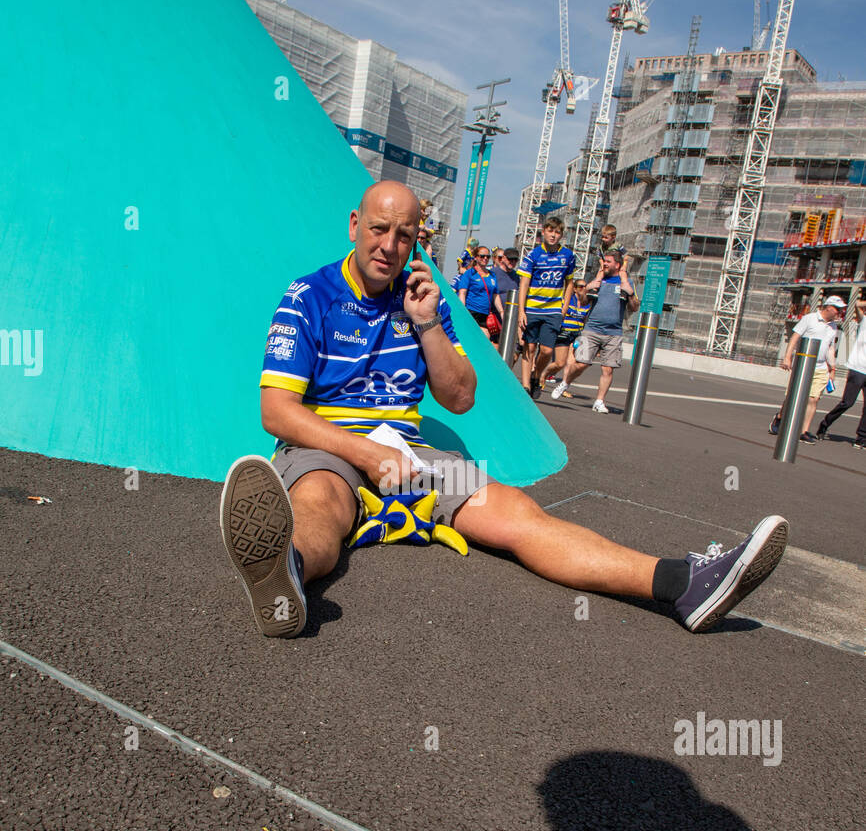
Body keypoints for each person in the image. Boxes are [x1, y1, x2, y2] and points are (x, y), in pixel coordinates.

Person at [219, 179, 788, 641]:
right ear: (354, 225)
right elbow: (278, 411)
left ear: (417, 240)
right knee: (320, 503)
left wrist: (425, 324)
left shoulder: (424, 299)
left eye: (404, 234)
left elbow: (460, 398)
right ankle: (283, 574)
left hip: (409, 453)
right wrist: (363, 453)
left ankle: (683, 583)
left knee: (517, 512)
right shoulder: (308, 295)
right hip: (328, 445)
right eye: (378, 229)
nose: (389, 245)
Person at [551, 251, 638, 411]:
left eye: (608, 262)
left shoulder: (626, 282)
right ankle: (565, 383)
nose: (605, 264)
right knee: (581, 364)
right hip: (592, 330)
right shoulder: (599, 280)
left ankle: (599, 401)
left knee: (608, 368)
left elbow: (634, 308)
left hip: (614, 333)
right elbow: (583, 301)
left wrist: (630, 293)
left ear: (617, 265)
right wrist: (588, 288)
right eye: (604, 261)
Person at [769, 295, 845, 443]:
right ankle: (779, 417)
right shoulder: (810, 318)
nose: (839, 312)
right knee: (792, 396)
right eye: (838, 309)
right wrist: (787, 357)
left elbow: (830, 348)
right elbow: (795, 337)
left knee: (814, 399)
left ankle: (804, 431)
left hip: (821, 367)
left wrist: (832, 369)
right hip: (803, 364)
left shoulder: (833, 326)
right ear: (828, 307)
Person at [517, 216, 575, 397]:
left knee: (547, 350)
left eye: (557, 232)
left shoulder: (568, 255)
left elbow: (569, 283)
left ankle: (536, 374)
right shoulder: (533, 255)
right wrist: (521, 311)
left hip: (553, 310)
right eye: (550, 231)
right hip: (533, 308)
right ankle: (526, 385)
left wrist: (564, 308)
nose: (553, 235)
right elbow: (524, 284)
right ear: (544, 232)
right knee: (529, 347)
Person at [816, 289, 866, 448]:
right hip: (858, 368)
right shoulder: (865, 321)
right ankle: (825, 423)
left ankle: (861, 438)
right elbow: (858, 304)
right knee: (847, 403)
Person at [546, 279, 590, 387]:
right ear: (574, 289)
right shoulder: (568, 300)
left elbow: (585, 320)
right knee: (559, 361)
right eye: (580, 286)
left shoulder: (587, 303)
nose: (583, 289)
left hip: (576, 334)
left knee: (571, 362)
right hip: (564, 332)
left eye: (585, 287)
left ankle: (564, 385)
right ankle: (542, 373)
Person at [456, 243, 502, 340]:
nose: (485, 258)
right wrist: (462, 310)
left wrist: (501, 312)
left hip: (485, 314)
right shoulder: (470, 273)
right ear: (476, 257)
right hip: (471, 311)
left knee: (485, 339)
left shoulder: (492, 275)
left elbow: (495, 296)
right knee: (470, 339)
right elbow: (462, 293)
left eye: (487, 256)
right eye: (482, 256)